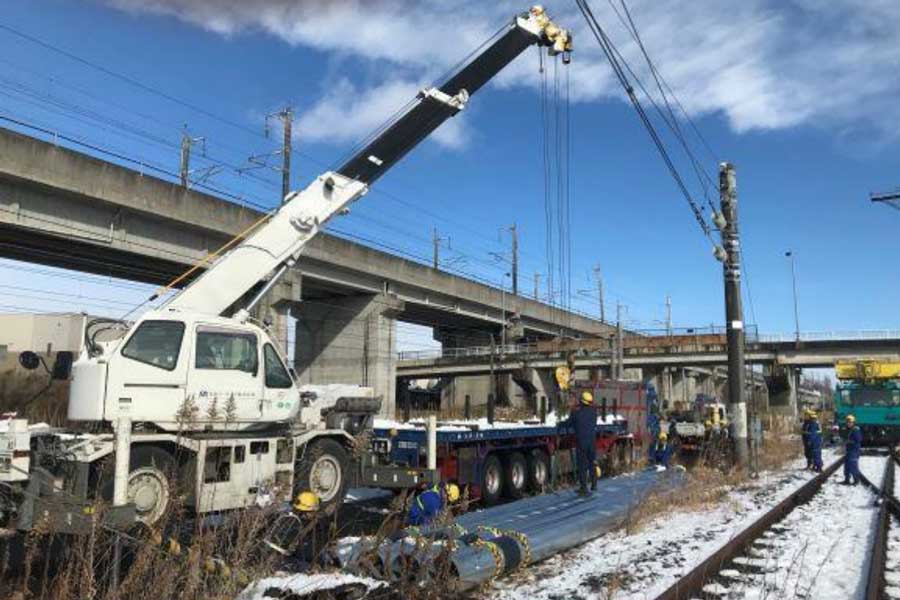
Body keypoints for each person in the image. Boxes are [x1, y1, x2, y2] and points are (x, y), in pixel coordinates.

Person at [559, 391, 598, 495]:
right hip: (592, 442)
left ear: (581, 401)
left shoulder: (576, 412)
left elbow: (569, 423)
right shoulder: (594, 412)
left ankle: (583, 488)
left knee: (582, 465)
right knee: (591, 462)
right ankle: (594, 484)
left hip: (581, 442)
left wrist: (560, 424)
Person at [841, 414, 863, 485]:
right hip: (848, 450)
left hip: (854, 451)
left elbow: (859, 439)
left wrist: (849, 441)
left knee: (853, 466)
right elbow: (844, 437)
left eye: (850, 422)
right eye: (847, 422)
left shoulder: (856, 430)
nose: (848, 424)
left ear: (853, 423)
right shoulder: (847, 430)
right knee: (847, 466)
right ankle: (847, 480)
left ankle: (856, 480)